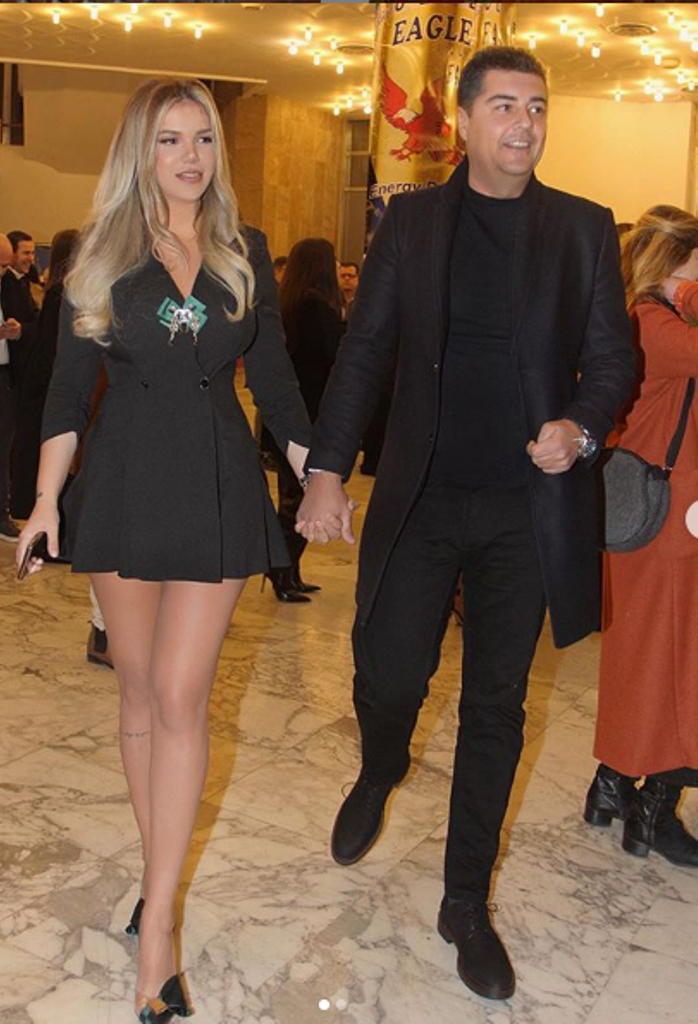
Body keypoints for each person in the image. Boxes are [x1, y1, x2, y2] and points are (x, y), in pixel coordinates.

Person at [296, 46, 635, 1002]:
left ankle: (463, 903)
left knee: (496, 705)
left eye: (537, 107)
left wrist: (580, 426)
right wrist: (325, 473)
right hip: (423, 495)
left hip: (525, 509)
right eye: (505, 106)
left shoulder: (580, 228)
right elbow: (365, 353)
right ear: (466, 118)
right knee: (388, 670)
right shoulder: (411, 222)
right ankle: (381, 765)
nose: (524, 124)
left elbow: (613, 359)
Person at [17, 77, 310, 1023]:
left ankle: (160, 926)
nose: (191, 157)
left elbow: (276, 383)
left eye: (204, 138)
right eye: (170, 140)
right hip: (125, 481)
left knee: (182, 697)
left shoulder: (243, 251)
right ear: (139, 152)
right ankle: (157, 881)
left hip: (219, 482)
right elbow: (67, 394)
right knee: (139, 692)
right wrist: (44, 501)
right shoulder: (99, 253)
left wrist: (319, 473)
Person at [585, 206, 698, 868]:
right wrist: (682, 291)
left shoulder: (653, 319)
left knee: (651, 659)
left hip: (663, 516)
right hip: (665, 519)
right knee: (669, 664)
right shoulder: (653, 323)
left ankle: (612, 785)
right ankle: (653, 808)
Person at [262, 237, 344, 601]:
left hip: (285, 416)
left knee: (291, 496)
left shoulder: (287, 304)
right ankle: (282, 570)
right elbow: (337, 356)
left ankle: (288, 571)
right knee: (299, 498)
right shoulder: (316, 307)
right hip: (307, 417)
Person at [11, 229, 79, 519]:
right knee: (34, 443)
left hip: (43, 377)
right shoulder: (60, 294)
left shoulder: (59, 291)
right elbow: (51, 345)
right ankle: (27, 503)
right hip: (44, 380)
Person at [0, 232, 28, 541]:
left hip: (3, 377)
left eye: (4, 266)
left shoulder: (13, 286)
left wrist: (18, 330)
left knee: (1, 449)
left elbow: (33, 321)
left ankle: (0, 515)